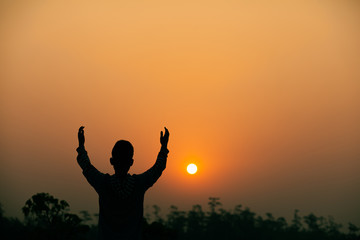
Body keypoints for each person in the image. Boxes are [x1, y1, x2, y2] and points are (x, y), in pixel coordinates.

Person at [76, 126, 170, 240]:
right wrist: (163, 147)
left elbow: (86, 166)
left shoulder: (103, 183)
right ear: (131, 162)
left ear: (111, 161)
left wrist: (81, 146)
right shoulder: (139, 184)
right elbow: (158, 168)